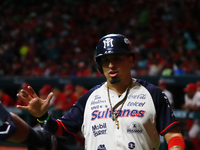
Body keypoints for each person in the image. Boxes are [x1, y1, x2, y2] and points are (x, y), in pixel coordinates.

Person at [0, 34, 185, 150]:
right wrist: (43, 116)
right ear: (100, 65)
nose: (111, 64)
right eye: (105, 60)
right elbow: (61, 130)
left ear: (130, 60)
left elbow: (174, 135)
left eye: (117, 58)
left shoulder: (152, 94)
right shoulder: (89, 98)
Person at [182, 83, 200, 150]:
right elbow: (187, 107)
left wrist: (190, 107)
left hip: (197, 118)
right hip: (197, 120)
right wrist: (191, 107)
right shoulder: (187, 96)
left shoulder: (198, 95)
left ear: (193, 91)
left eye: (189, 91)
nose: (187, 92)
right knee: (192, 134)